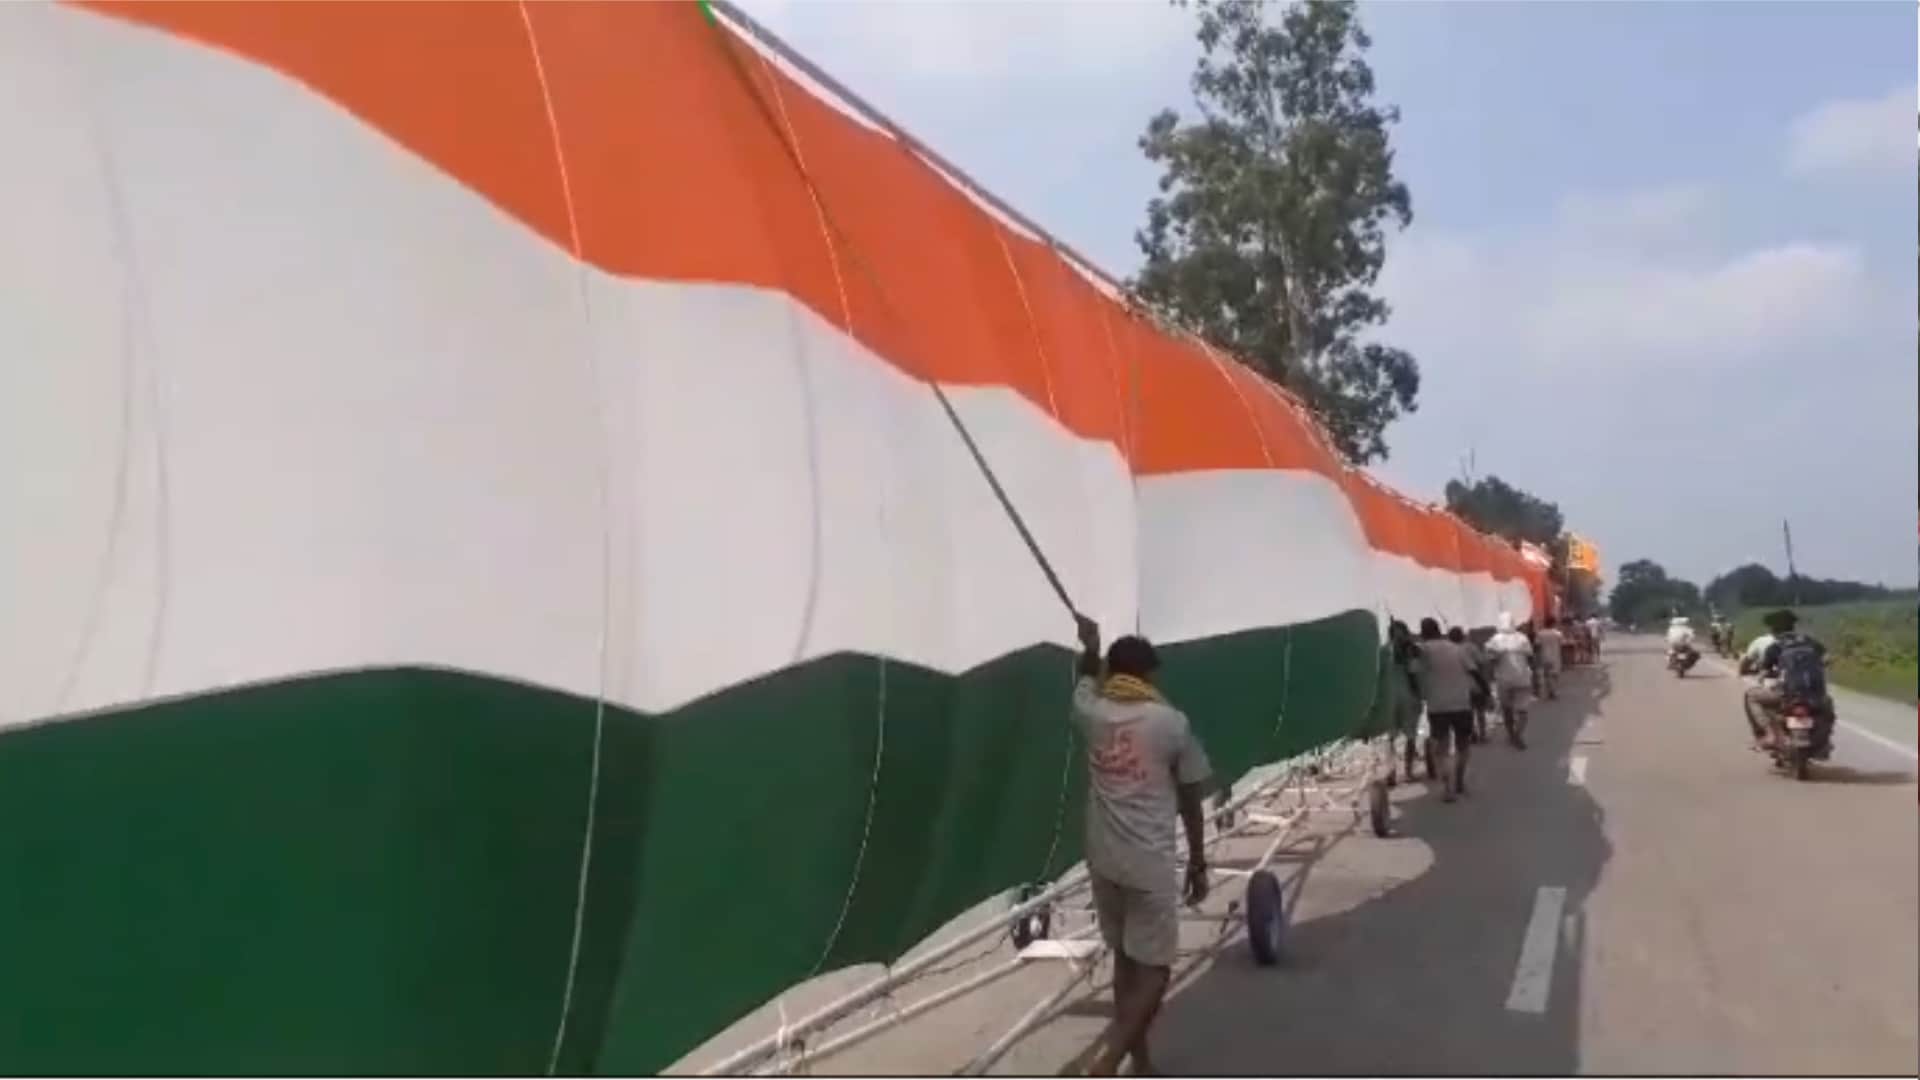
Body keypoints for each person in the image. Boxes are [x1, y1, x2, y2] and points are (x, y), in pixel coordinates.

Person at [1068, 615, 1213, 1077]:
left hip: (1104, 861)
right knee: (1156, 971)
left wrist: (1089, 647)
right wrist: (1198, 861)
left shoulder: (1091, 713)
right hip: (1148, 864)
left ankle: (1141, 1063)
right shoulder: (1170, 722)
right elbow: (1191, 798)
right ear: (1147, 673)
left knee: (1127, 964)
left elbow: (1085, 679)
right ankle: (1108, 1062)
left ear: (1115, 672)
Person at [1740, 609, 1835, 754]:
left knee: (1751, 696)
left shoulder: (1775, 647)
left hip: (1787, 695)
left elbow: (1764, 672)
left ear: (1773, 629)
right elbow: (1828, 658)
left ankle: (1769, 734)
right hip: (1814, 695)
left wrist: (1761, 674)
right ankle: (1824, 742)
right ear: (1793, 626)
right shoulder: (1809, 641)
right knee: (1827, 707)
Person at [1417, 618, 1480, 801]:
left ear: (1423, 632)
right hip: (1461, 703)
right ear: (1439, 630)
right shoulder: (1457, 649)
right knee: (1463, 746)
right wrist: (1485, 691)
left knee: (1442, 749)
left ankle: (1447, 788)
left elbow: (1414, 670)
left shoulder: (1422, 651)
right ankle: (1460, 781)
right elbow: (1474, 671)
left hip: (1438, 707)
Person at [1484, 612, 1535, 749]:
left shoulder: (1495, 640)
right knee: (1522, 711)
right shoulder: (1522, 638)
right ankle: (1518, 735)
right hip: (1522, 679)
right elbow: (1530, 657)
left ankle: (1511, 734)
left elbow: (1490, 660)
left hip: (1503, 681)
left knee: (1507, 710)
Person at [1387, 619, 1424, 780]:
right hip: (1408, 696)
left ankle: (1391, 772)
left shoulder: (1383, 651)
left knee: (1390, 738)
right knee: (1410, 736)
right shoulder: (1412, 651)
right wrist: (1419, 695)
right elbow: (1415, 674)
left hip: (1389, 698)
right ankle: (1408, 772)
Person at [1447, 625, 1493, 743]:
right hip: (1475, 684)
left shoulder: (1448, 650)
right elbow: (1482, 661)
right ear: (1462, 636)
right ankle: (1482, 734)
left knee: (1468, 712)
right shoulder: (1471, 647)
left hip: (1459, 687)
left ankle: (1472, 734)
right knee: (1480, 711)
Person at [1535, 618, 1565, 700]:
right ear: (1553, 623)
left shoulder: (1540, 633)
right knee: (1555, 675)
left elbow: (1537, 645)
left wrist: (1537, 657)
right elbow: (1562, 644)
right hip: (1555, 656)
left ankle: (1550, 691)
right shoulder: (1558, 633)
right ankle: (1553, 691)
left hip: (1544, 656)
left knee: (1547, 675)